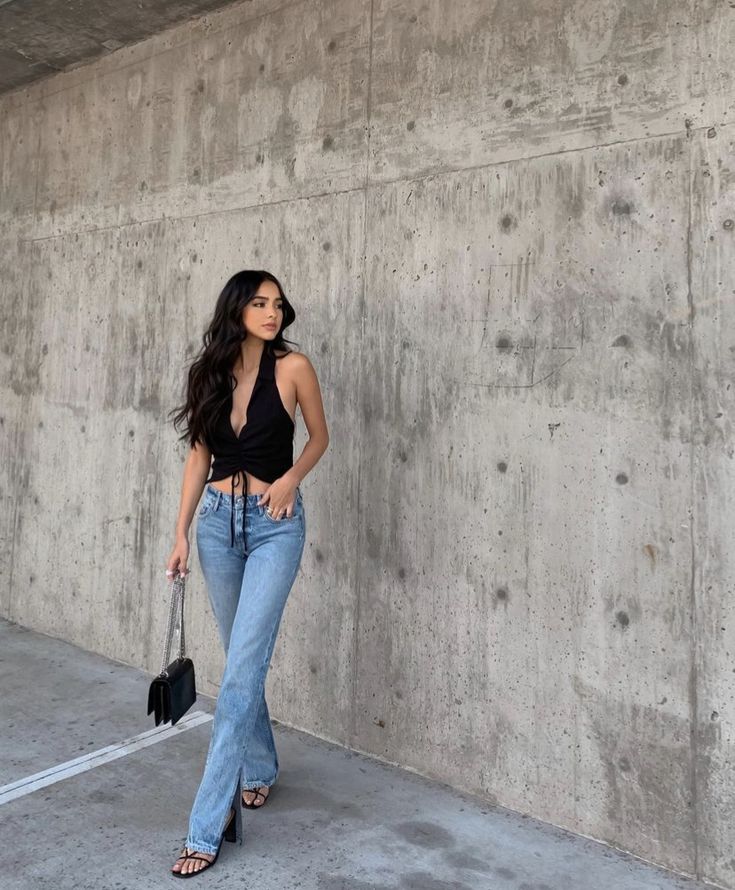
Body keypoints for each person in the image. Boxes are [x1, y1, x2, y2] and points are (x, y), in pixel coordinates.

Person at [164, 270, 329, 877]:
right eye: (259, 303)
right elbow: (198, 455)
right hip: (214, 524)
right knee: (241, 657)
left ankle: (207, 826)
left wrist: (290, 479)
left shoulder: (294, 368)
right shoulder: (207, 374)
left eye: (278, 303)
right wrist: (180, 532)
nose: (272, 312)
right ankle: (259, 767)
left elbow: (319, 437)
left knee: (238, 677)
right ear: (236, 309)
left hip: (274, 524)